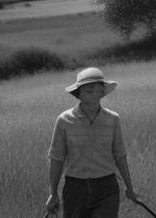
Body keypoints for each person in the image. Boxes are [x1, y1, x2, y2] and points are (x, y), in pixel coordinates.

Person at [46, 67, 140, 218]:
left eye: (98, 90)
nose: (95, 93)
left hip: (106, 187)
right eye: (89, 90)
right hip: (75, 188)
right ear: (79, 94)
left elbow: (120, 156)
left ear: (102, 92)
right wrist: (53, 193)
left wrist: (129, 188)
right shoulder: (64, 120)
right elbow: (56, 158)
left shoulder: (113, 119)